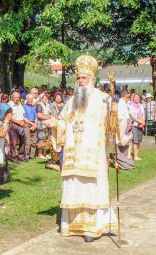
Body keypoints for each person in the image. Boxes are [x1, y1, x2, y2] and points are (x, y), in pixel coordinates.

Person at [47, 55, 117, 242]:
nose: (79, 81)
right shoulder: (71, 102)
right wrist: (54, 123)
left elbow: (113, 126)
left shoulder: (103, 99)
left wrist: (115, 115)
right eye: (78, 78)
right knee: (74, 188)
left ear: (92, 79)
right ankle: (72, 226)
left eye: (83, 78)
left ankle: (93, 228)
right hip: (73, 155)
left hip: (93, 155)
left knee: (91, 189)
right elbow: (63, 122)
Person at [129, 93, 145, 161]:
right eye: (135, 97)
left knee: (139, 140)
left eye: (138, 97)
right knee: (135, 141)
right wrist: (140, 122)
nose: (137, 98)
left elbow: (143, 114)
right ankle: (135, 156)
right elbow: (132, 116)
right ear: (133, 98)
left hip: (140, 125)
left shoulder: (141, 105)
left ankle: (137, 155)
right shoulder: (130, 106)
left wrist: (143, 122)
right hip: (134, 125)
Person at [36, 93, 52, 159]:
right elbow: (39, 115)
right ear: (41, 98)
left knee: (46, 139)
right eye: (45, 98)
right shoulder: (39, 105)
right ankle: (40, 154)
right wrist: (49, 117)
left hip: (47, 124)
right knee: (41, 139)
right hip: (41, 124)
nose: (46, 99)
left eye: (46, 98)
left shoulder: (48, 105)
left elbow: (50, 114)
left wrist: (49, 117)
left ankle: (45, 153)